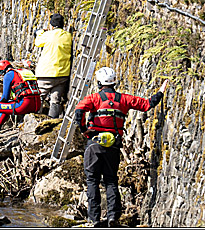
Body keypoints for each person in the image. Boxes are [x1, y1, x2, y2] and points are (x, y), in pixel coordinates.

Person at [75, 67, 170, 227]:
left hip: (94, 144)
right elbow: (147, 104)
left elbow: (79, 111)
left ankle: (94, 219)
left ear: (99, 83)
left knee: (92, 181)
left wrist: (84, 130)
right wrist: (161, 91)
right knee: (111, 181)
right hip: (113, 146)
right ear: (114, 82)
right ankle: (112, 217)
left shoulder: (94, 98)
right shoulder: (124, 99)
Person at [0, 60, 42, 149]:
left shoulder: (8, 75)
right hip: (37, 104)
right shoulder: (24, 72)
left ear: (1, 71)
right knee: (7, 106)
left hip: (25, 105)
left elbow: (5, 97)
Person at [34, 13, 72, 118]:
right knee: (56, 100)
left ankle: (35, 121)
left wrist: (40, 32)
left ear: (51, 25)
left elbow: (38, 42)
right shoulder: (68, 36)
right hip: (62, 74)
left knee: (39, 98)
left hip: (46, 73)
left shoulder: (48, 35)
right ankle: (51, 122)